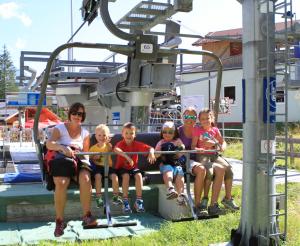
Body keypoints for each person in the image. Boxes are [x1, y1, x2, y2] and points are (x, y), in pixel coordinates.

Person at [46, 102, 96, 237]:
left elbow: (85, 153)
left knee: (85, 179)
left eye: (80, 114)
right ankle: (60, 221)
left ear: (83, 116)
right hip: (62, 158)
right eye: (74, 113)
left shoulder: (85, 133)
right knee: (61, 183)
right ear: (70, 114)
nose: (77, 116)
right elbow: (49, 143)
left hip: (78, 159)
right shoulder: (60, 128)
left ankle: (86, 215)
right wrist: (63, 148)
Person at [192, 108, 239, 215]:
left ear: (212, 118)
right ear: (199, 120)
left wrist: (222, 146)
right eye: (202, 119)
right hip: (203, 156)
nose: (205, 121)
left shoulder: (215, 130)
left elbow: (223, 142)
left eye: (207, 118)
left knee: (229, 169)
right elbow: (193, 146)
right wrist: (199, 149)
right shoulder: (197, 130)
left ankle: (227, 199)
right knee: (210, 172)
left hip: (214, 155)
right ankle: (204, 201)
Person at [114, 122, 156, 213]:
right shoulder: (120, 144)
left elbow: (150, 148)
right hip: (122, 168)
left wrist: (151, 153)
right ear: (122, 134)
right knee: (126, 177)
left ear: (135, 135)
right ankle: (125, 201)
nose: (129, 135)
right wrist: (127, 157)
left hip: (133, 168)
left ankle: (139, 201)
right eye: (126, 133)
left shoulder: (136, 144)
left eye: (131, 133)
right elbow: (116, 149)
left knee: (139, 176)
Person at [178, 107, 207, 215]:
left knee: (205, 169)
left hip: (196, 160)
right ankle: (196, 204)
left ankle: (201, 203)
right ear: (183, 117)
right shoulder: (178, 131)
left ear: (196, 119)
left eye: (192, 117)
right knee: (201, 169)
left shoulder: (199, 130)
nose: (189, 119)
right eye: (186, 116)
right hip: (183, 160)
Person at [89, 124, 122, 208]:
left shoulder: (108, 146)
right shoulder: (93, 148)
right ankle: (99, 198)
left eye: (104, 135)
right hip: (98, 167)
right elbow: (89, 158)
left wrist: (108, 143)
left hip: (108, 166)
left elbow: (111, 149)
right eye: (99, 135)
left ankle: (115, 196)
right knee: (98, 177)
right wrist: (93, 158)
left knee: (115, 177)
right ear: (96, 136)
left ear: (107, 137)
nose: (101, 137)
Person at [155, 121, 187, 206]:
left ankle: (181, 195)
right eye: (164, 132)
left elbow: (183, 149)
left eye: (170, 132)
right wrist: (161, 152)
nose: (167, 134)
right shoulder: (161, 142)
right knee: (168, 170)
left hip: (176, 164)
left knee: (180, 172)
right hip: (165, 164)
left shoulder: (177, 141)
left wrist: (178, 151)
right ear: (162, 133)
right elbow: (156, 154)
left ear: (174, 133)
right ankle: (170, 189)